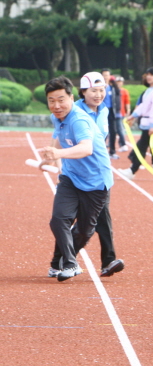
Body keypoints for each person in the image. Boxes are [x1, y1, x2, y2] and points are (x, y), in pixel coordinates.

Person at [37, 76, 114, 281]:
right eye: (51, 101)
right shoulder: (57, 116)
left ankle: (60, 262)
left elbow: (86, 148)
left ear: (72, 97)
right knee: (58, 220)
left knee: (84, 230)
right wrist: (49, 157)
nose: (56, 105)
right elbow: (58, 136)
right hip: (71, 176)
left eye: (61, 99)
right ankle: (70, 264)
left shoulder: (79, 119)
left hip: (96, 180)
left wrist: (58, 155)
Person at [62, 72, 124, 278]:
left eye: (102, 90)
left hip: (99, 175)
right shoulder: (75, 112)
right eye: (93, 91)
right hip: (78, 175)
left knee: (102, 217)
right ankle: (63, 259)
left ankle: (108, 260)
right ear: (83, 92)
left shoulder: (104, 111)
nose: (99, 95)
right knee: (81, 222)